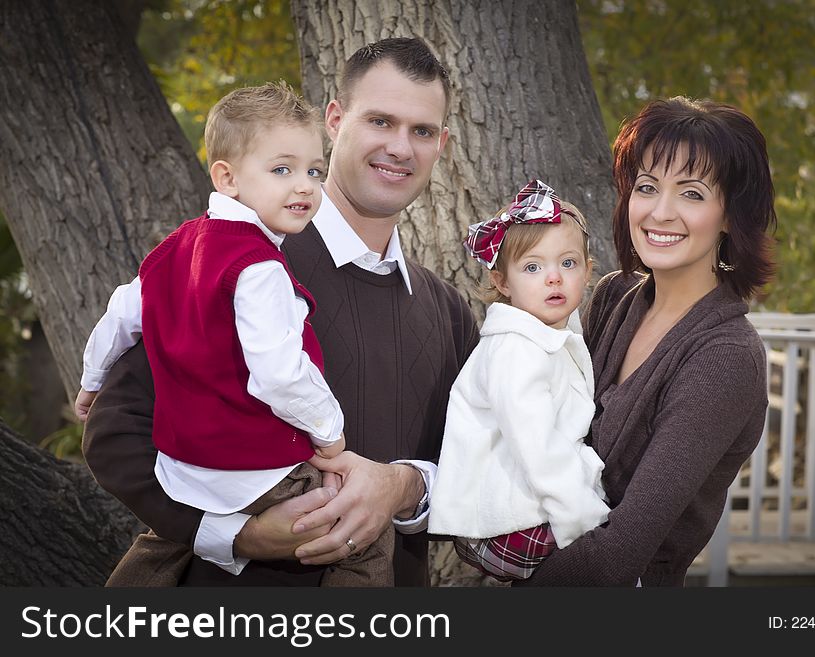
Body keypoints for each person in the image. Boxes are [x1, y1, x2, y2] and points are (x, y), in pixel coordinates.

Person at [82, 37, 479, 587]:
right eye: (380, 120)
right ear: (335, 120)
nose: (400, 147)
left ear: (442, 146)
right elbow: (114, 431)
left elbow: (482, 473)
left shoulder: (449, 313)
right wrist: (236, 535)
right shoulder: (239, 266)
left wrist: (402, 488)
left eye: (422, 131)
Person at [511, 96, 776, 586]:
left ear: (730, 215)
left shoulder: (726, 357)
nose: (660, 212)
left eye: (692, 194)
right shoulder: (613, 298)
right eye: (647, 187)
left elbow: (623, 551)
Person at [428, 179, 610, 581]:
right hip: (506, 525)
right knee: (609, 553)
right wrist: (583, 514)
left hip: (524, 510)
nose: (554, 277)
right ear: (502, 282)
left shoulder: (553, 333)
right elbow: (536, 444)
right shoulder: (515, 348)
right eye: (533, 266)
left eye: (568, 263)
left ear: (586, 270)